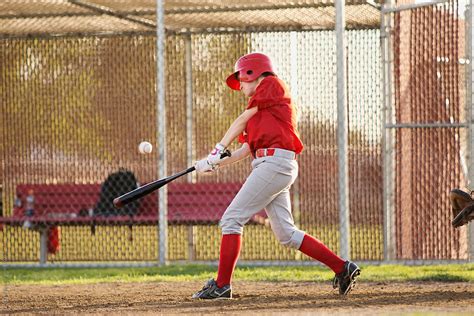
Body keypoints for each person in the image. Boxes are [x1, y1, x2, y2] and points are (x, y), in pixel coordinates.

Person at [192, 52, 360, 299]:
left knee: (231, 219)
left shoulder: (271, 84)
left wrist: (216, 150)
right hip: (271, 164)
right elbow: (244, 150)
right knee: (287, 234)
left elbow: (240, 120)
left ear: (255, 72)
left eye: (243, 80)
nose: (241, 87)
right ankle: (342, 267)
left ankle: (222, 285)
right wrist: (213, 164)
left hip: (274, 163)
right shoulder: (260, 110)